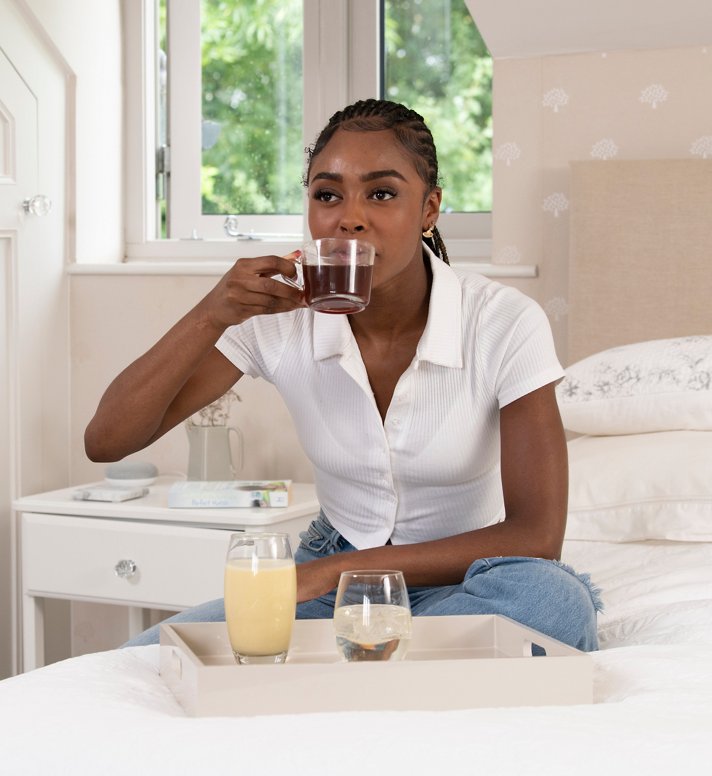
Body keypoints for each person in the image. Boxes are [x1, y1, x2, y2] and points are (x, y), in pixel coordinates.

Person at [85, 99, 601, 650]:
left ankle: (347, 665)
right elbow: (107, 441)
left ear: (429, 209)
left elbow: (538, 535)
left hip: (468, 575)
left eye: (381, 193)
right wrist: (212, 312)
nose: (349, 216)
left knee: (554, 605)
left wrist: (337, 572)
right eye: (327, 194)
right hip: (329, 581)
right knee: (145, 657)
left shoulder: (502, 320)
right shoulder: (277, 320)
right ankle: (392, 665)